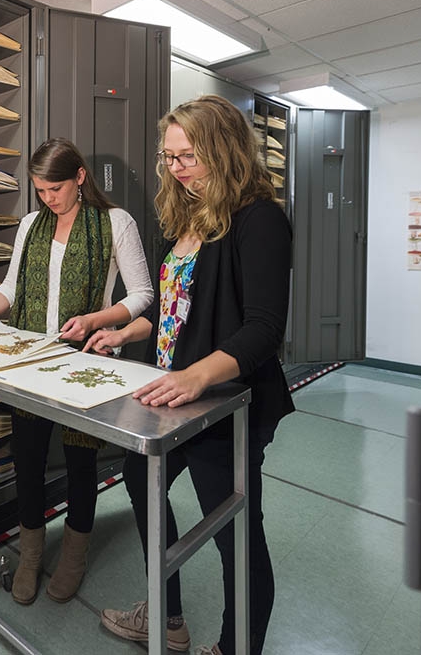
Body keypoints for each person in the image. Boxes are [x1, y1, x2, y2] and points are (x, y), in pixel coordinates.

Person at [90, 95, 293, 655]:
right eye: (168, 156)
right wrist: (125, 332)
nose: (176, 168)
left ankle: (235, 648)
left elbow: (263, 329)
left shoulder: (259, 219)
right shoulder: (184, 219)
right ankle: (168, 618)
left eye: (188, 156)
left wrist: (196, 376)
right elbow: (177, 311)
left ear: (224, 151)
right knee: (140, 483)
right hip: (172, 400)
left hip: (224, 406)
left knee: (235, 536)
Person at [0, 138, 153, 606]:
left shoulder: (114, 223)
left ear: (80, 177)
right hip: (32, 362)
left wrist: (96, 320)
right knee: (28, 458)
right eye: (40, 190)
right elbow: (10, 287)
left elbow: (142, 294)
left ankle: (74, 557)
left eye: (55, 189)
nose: (48, 199)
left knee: (81, 464)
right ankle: (30, 554)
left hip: (86, 360)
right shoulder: (30, 224)